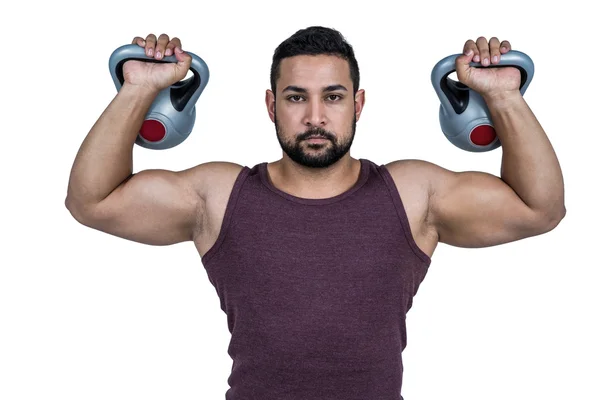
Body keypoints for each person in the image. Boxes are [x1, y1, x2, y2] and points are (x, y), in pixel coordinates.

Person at [65, 26, 565, 400]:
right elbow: (91, 202)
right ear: (271, 105)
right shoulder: (219, 196)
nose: (315, 117)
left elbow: (540, 209)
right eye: (295, 97)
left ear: (358, 104)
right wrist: (138, 89)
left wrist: (502, 95)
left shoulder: (412, 194)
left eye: (333, 97)